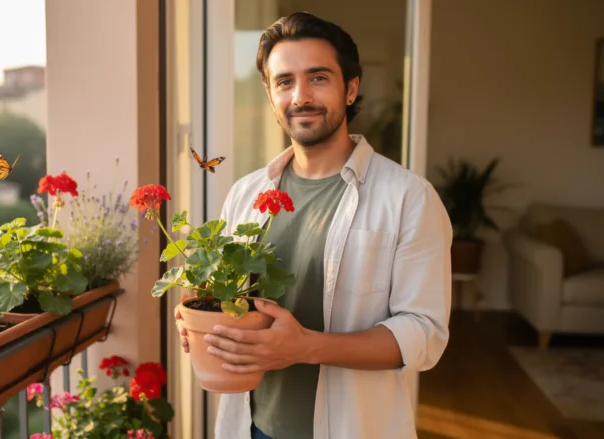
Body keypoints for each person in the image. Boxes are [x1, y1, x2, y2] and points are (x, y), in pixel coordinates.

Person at [175, 11, 452, 439]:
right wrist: (197, 314)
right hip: (251, 427)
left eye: (318, 77)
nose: (300, 96)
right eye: (284, 81)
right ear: (270, 94)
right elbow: (224, 296)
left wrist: (306, 347)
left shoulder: (408, 198)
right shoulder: (245, 195)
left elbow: (424, 334)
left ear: (351, 89)